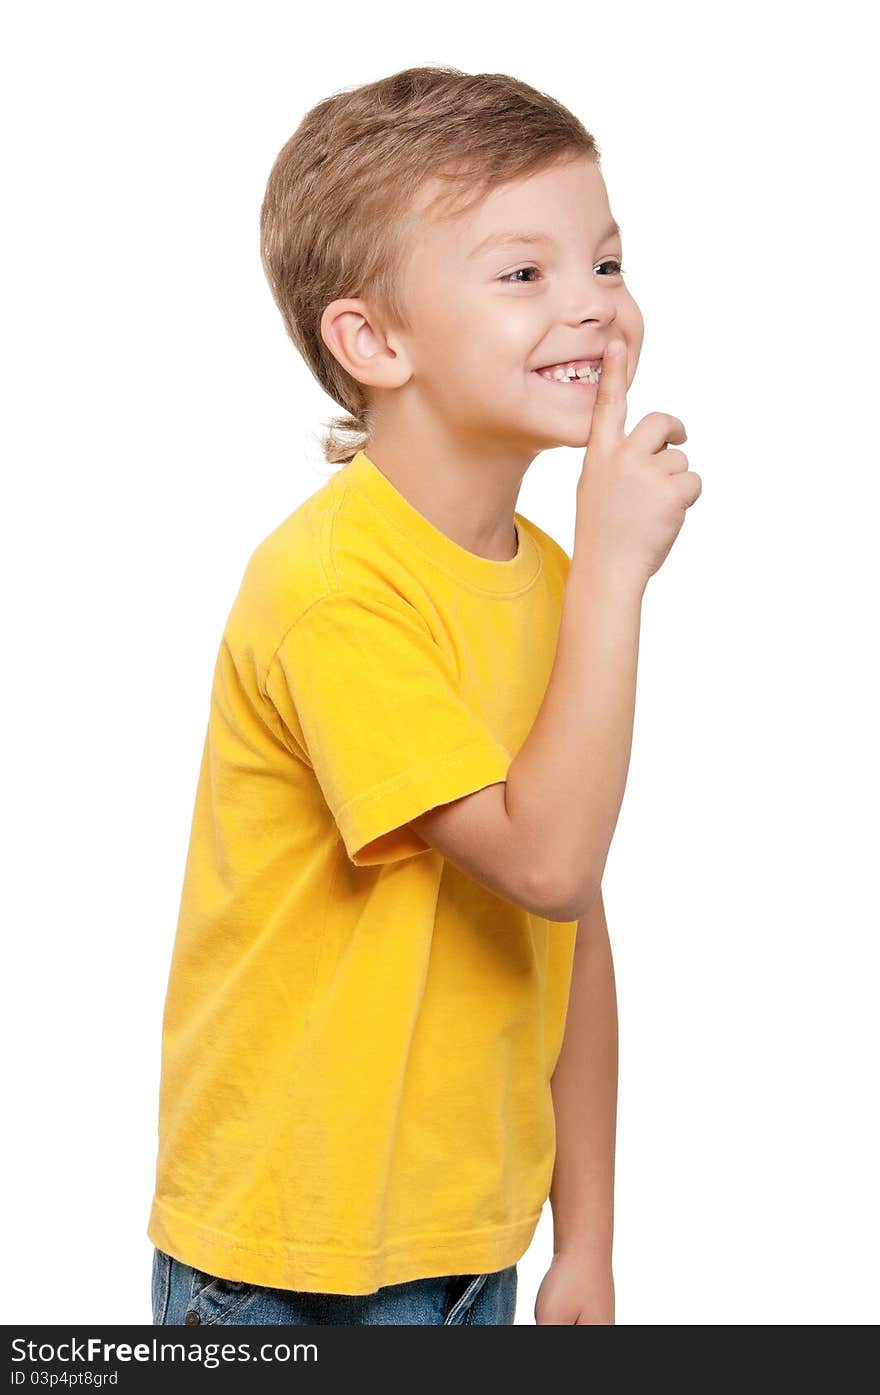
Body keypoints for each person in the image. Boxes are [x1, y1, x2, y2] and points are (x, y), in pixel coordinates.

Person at [146, 64, 701, 1327]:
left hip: (465, 1244)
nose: (594, 310)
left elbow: (572, 923)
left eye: (605, 265)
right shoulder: (335, 591)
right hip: (294, 1267)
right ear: (373, 340)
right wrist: (616, 570)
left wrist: (589, 1241)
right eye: (525, 275)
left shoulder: (551, 580)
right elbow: (543, 861)